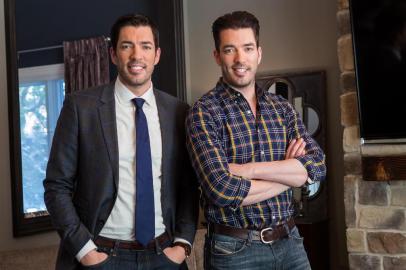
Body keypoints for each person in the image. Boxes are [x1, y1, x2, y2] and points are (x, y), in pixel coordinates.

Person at [44, 14, 198, 270]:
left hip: (164, 256)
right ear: (113, 55)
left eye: (145, 46)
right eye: (127, 46)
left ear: (157, 55)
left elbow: (188, 187)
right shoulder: (81, 108)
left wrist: (182, 244)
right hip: (102, 255)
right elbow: (56, 187)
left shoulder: (179, 112)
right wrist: (85, 252)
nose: (137, 55)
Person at [185, 11, 326, 269]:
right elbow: (222, 190)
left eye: (248, 48)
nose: (240, 59)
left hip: (290, 242)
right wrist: (289, 173)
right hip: (235, 251)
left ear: (259, 53)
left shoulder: (281, 108)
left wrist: (248, 170)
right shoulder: (204, 112)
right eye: (230, 50)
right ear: (217, 56)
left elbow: (317, 166)